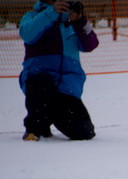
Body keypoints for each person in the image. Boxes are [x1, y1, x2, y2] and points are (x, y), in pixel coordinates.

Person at [18, 0, 98, 141]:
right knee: (42, 83)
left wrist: (79, 20)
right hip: (39, 86)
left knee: (84, 131)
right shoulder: (32, 16)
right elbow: (27, 34)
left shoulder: (69, 21)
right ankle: (35, 129)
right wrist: (51, 12)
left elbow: (91, 44)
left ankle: (49, 114)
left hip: (66, 89)